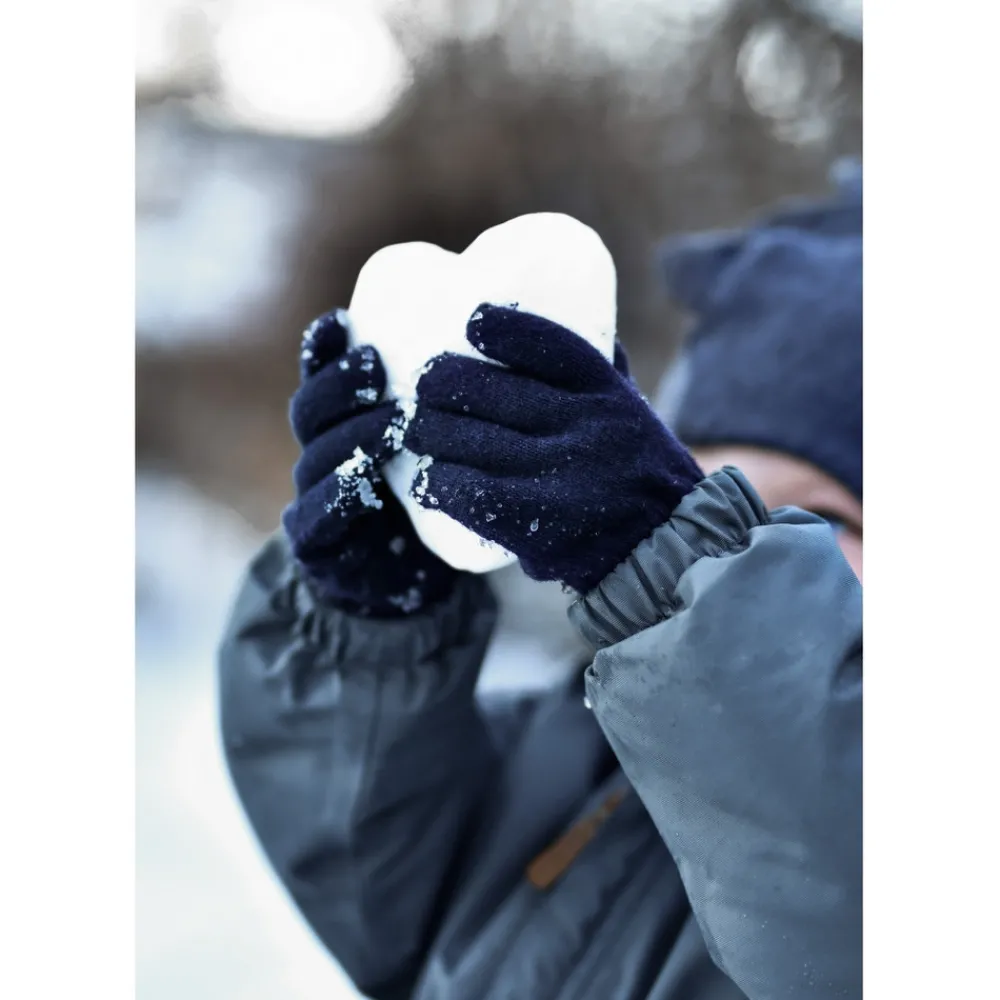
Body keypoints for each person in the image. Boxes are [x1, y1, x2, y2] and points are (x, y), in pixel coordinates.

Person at [218, 165, 862, 1000]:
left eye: (820, 516)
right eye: (697, 485)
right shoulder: (571, 750)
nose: (744, 542)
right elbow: (377, 897)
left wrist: (693, 580)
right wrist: (371, 629)